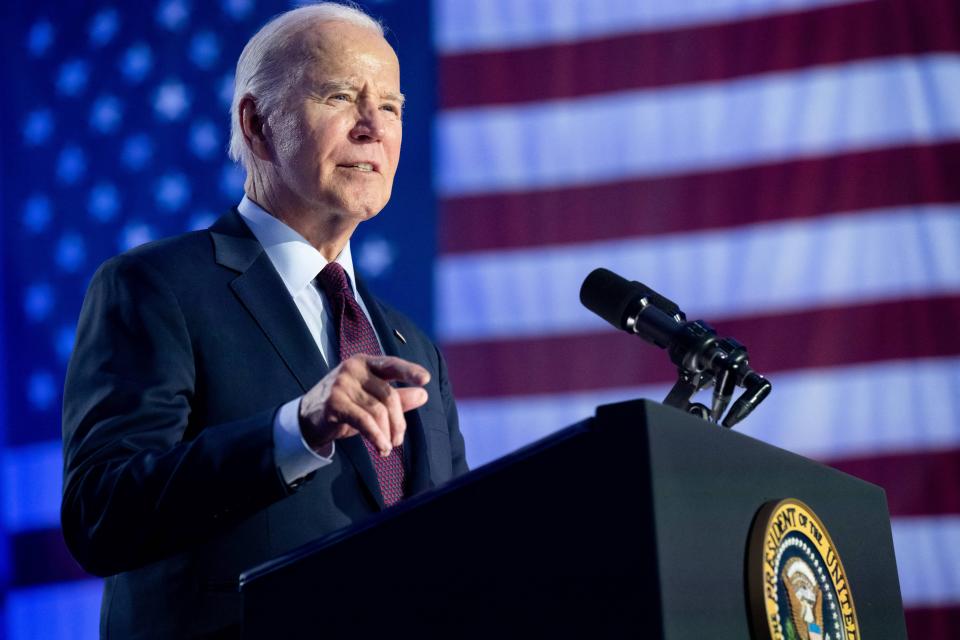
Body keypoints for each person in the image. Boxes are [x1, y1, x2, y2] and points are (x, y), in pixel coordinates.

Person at [60, 3, 468, 637]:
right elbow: (102, 514)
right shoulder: (157, 287)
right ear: (257, 125)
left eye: (390, 106)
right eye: (340, 95)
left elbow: (453, 548)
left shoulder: (412, 345)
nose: (373, 127)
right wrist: (295, 429)